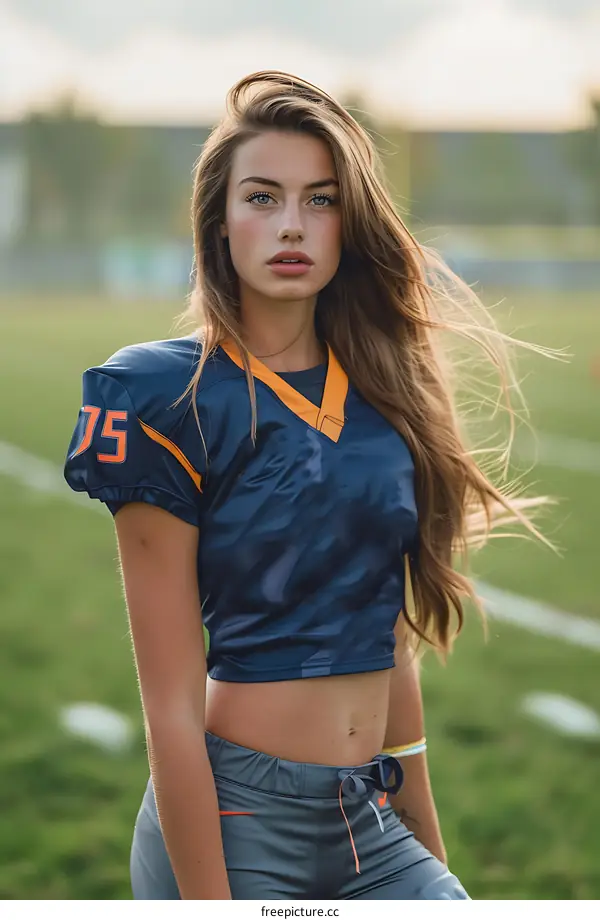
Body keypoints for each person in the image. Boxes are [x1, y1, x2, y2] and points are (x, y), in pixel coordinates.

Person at [64, 71, 550, 900]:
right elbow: (172, 709)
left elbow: (386, 636)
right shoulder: (164, 397)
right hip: (237, 820)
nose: (291, 224)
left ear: (348, 226)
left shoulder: (385, 395)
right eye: (262, 197)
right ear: (219, 224)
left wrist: (429, 849)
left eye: (320, 200)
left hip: (370, 821)